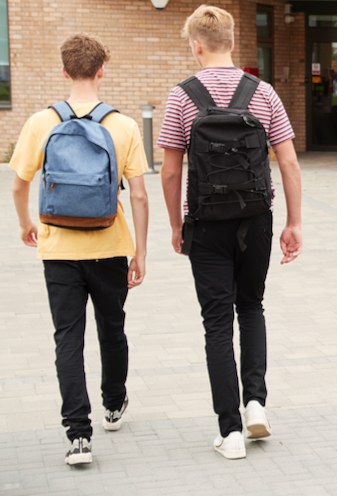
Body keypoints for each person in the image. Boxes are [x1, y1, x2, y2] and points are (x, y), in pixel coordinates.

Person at [158, 4, 303, 461]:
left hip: (205, 221)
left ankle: (230, 431)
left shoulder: (182, 97)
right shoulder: (262, 93)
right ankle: (256, 401)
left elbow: (168, 171)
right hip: (256, 218)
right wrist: (294, 223)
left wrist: (175, 223)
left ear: (195, 45)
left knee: (217, 321)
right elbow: (289, 163)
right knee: (252, 305)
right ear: (234, 42)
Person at [8, 34, 149, 466]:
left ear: (64, 71)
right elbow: (140, 196)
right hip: (109, 248)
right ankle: (113, 403)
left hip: (58, 250)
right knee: (112, 329)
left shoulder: (39, 123)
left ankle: (79, 437)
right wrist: (139, 253)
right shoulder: (122, 126)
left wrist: (27, 225)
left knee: (68, 338)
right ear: (102, 70)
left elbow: (18, 184)